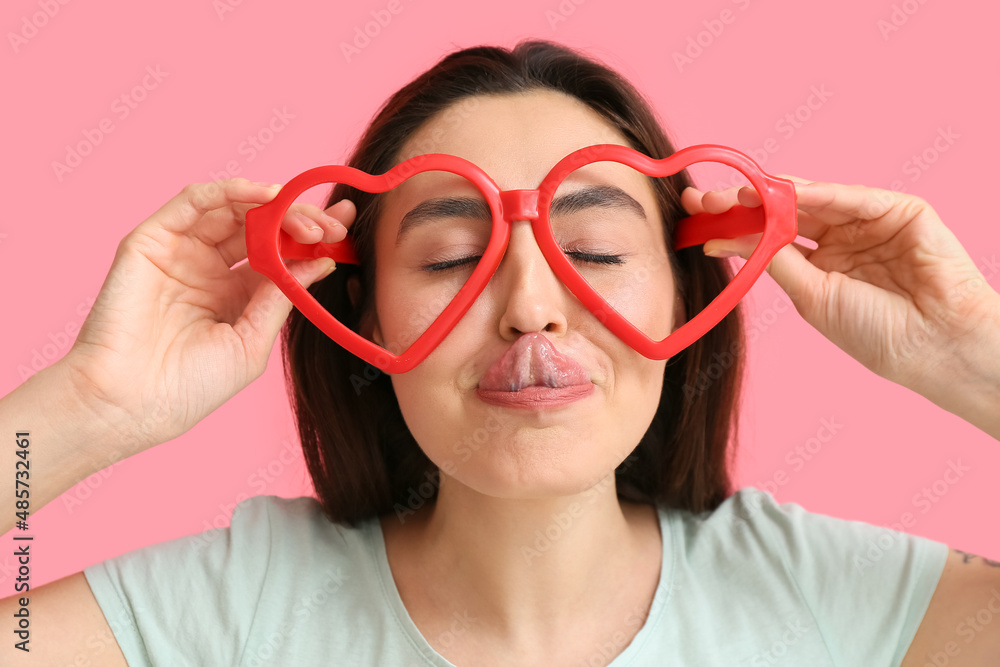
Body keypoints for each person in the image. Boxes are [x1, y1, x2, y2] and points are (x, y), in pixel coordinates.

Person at [2, 39, 999, 666]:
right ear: (366, 312)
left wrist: (974, 358)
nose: (530, 308)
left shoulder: (840, 606)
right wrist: (92, 405)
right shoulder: (223, 613)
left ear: (688, 289)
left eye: (597, 249)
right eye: (451, 254)